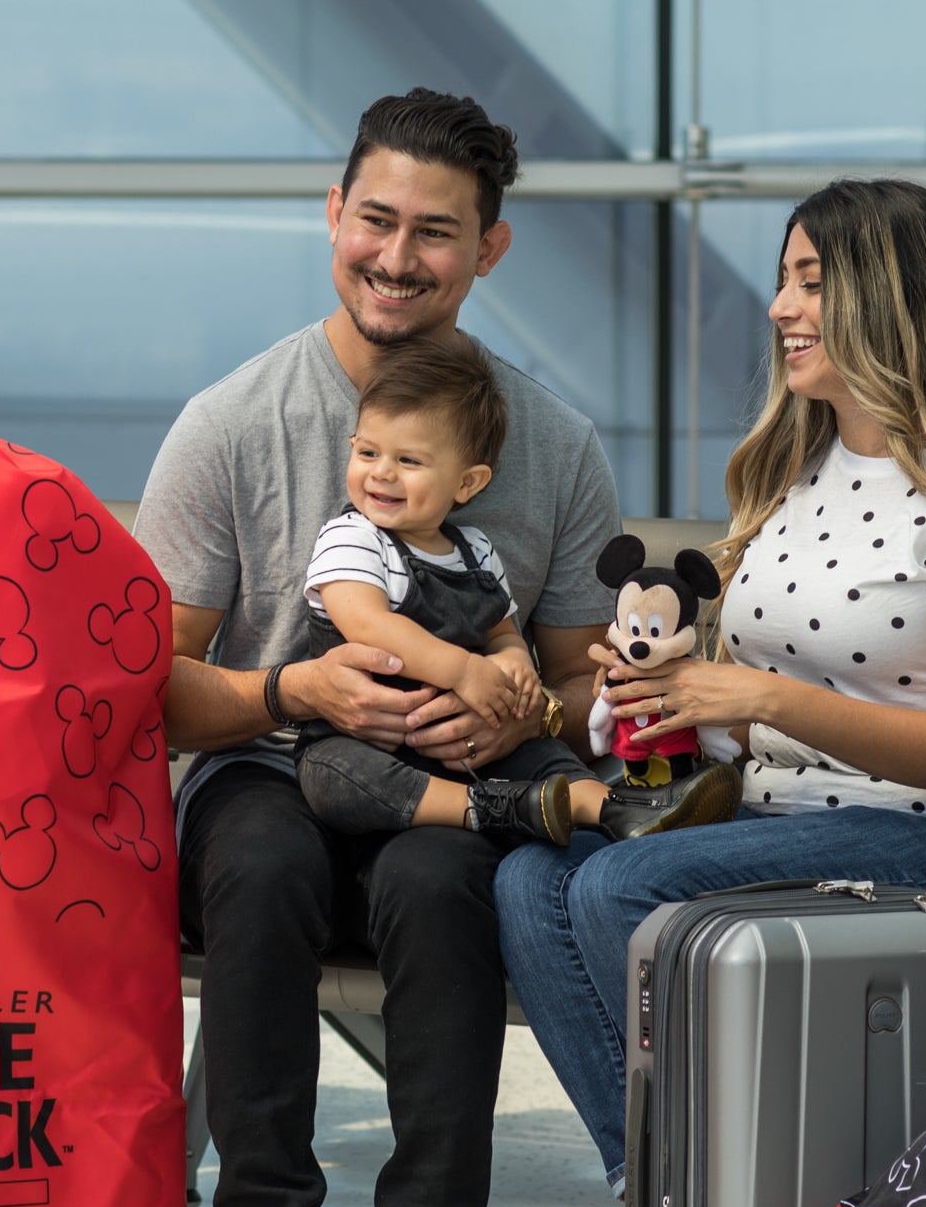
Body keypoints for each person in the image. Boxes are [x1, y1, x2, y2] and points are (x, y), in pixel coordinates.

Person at [135, 88, 622, 1207]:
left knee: (438, 882)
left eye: (437, 234)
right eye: (377, 221)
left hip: (440, 803)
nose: (399, 258)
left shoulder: (553, 445)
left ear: (490, 251)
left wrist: (526, 711)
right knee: (259, 857)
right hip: (266, 775)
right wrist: (295, 686)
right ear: (333, 216)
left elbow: (590, 685)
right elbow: (148, 695)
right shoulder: (232, 423)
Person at [495, 178, 926, 1189]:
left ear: (888, 296)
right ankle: (665, 1185)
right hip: (788, 817)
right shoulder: (800, 469)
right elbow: (759, 703)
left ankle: (723, 1192)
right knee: (532, 880)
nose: (779, 307)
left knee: (621, 887)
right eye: (785, 280)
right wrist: (672, 694)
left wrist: (758, 699)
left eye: (808, 281)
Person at [294, 335, 732, 846]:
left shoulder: (475, 551)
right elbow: (369, 624)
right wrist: (465, 670)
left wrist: (516, 668)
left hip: (468, 737)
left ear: (468, 483)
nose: (382, 472)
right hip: (366, 736)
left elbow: (501, 632)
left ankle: (624, 809)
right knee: (334, 775)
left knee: (543, 753)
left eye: (408, 461)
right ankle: (487, 809)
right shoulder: (352, 538)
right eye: (367, 452)